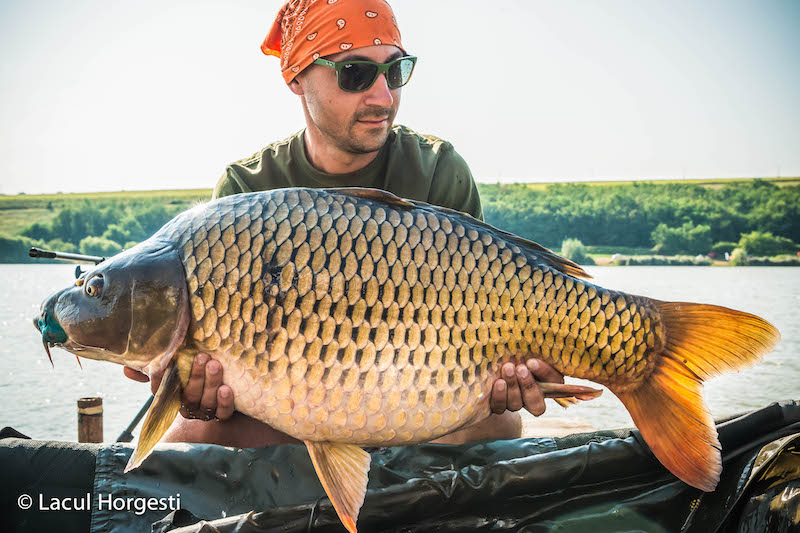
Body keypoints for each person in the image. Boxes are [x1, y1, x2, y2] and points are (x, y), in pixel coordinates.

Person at [124, 0, 575, 447]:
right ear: (298, 77)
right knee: (188, 436)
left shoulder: (438, 169)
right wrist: (198, 395)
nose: (383, 97)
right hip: (287, 412)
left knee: (499, 425)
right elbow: (218, 383)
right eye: (355, 74)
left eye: (395, 72)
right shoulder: (246, 189)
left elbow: (497, 309)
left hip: (417, 399)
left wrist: (516, 376)